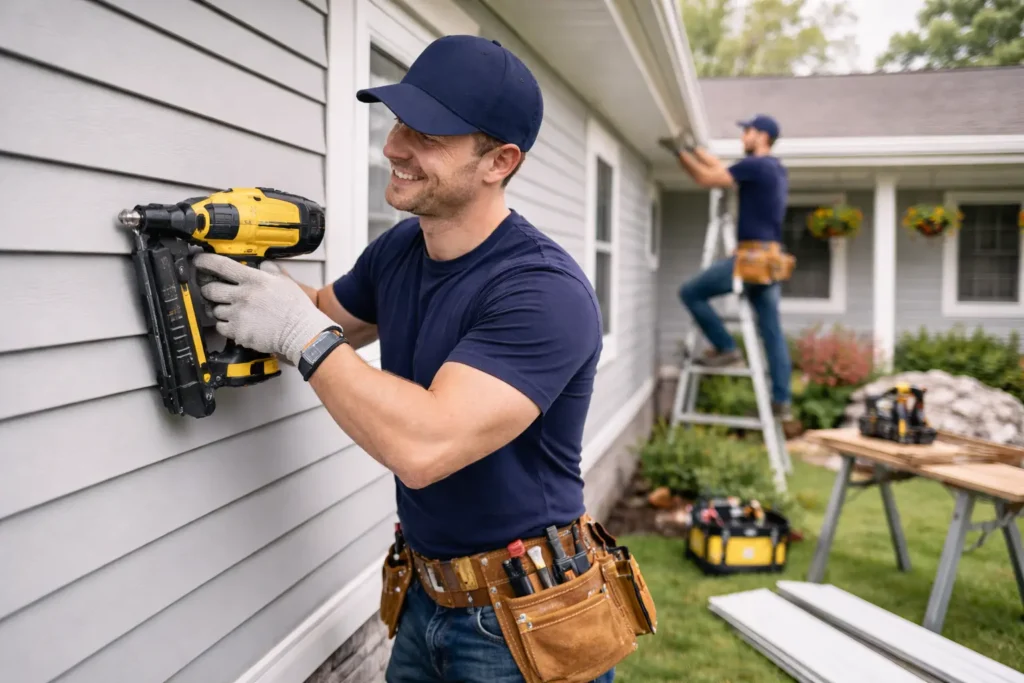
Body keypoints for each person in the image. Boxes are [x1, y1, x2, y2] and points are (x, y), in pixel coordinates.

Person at [193, 35, 630, 682]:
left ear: (499, 161)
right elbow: (320, 309)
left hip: (525, 620)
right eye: (399, 121)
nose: (393, 145)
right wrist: (217, 266)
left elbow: (425, 444)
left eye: (428, 133)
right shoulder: (400, 250)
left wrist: (301, 334)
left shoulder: (543, 292)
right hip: (424, 594)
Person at [660, 115, 793, 419]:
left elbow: (709, 178)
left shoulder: (757, 165)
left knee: (690, 292)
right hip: (769, 260)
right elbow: (719, 165)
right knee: (772, 332)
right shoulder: (774, 168)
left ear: (761, 136)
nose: (743, 136)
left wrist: (679, 153)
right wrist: (693, 147)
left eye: (747, 131)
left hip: (752, 260)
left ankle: (726, 348)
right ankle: (781, 401)